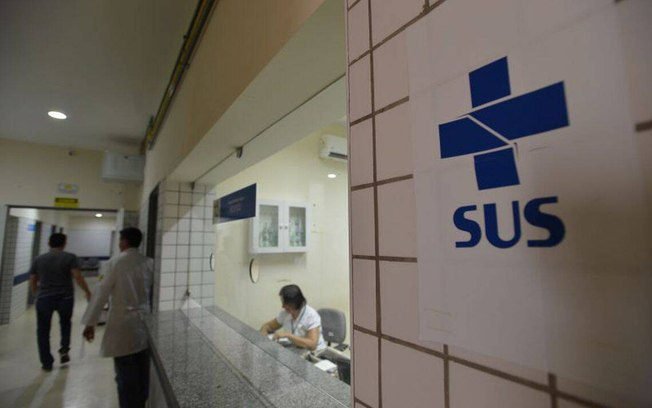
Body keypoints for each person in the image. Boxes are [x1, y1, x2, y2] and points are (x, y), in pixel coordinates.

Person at [81, 227, 153, 408]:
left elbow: (101, 294)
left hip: (122, 324)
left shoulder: (114, 263)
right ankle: (141, 403)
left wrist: (90, 323)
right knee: (142, 371)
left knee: (125, 375)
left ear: (124, 241)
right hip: (144, 322)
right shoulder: (149, 263)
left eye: (120, 240)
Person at [29, 232, 92, 371]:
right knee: (65, 324)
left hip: (44, 298)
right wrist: (87, 291)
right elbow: (77, 276)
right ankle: (64, 349)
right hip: (65, 298)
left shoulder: (39, 259)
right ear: (64, 244)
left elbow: (33, 279)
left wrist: (36, 294)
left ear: (49, 243)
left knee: (43, 330)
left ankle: (46, 362)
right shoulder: (70, 257)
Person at [259, 284, 327, 352]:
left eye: (286, 303)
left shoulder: (311, 316)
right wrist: (263, 338)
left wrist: (288, 336)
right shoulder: (285, 313)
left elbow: (312, 345)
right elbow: (267, 326)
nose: (283, 306)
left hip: (316, 353)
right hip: (296, 350)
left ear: (294, 303)